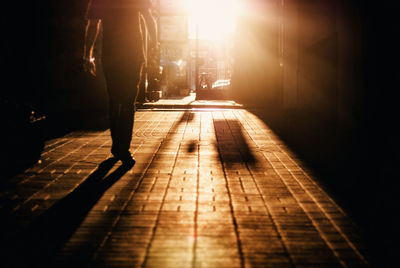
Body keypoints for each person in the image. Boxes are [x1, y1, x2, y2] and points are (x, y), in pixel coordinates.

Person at [83, 0, 159, 165]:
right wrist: (155, 44)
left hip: (111, 55)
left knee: (114, 99)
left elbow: (93, 25)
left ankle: (118, 145)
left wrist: (88, 55)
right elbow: (149, 18)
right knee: (127, 102)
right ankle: (122, 147)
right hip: (133, 53)